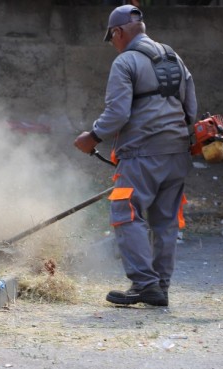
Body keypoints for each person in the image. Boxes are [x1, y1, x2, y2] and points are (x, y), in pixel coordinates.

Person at [73, 5, 197, 307]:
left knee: (125, 213)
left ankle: (144, 283)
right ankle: (160, 288)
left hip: (142, 155)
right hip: (177, 154)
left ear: (118, 32)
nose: (113, 44)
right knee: (165, 222)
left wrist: (92, 137)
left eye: (111, 37)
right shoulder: (173, 57)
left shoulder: (125, 61)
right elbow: (190, 108)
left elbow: (117, 113)